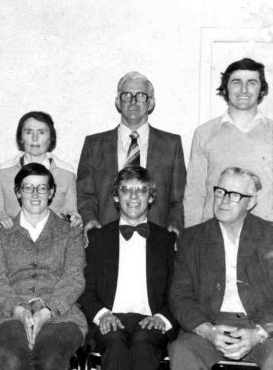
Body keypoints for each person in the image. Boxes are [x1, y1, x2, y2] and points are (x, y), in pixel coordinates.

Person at [0, 163, 87, 370]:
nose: (35, 193)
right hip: (9, 315)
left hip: (61, 315)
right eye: (27, 187)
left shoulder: (70, 232)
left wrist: (48, 311)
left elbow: (74, 278)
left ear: (51, 193)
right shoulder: (0, 233)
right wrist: (19, 311)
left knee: (50, 359)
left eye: (42, 188)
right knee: (13, 359)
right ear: (17, 192)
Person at [169, 167, 273, 369]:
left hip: (261, 327)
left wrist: (259, 333)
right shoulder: (192, 238)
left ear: (251, 202)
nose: (224, 201)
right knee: (181, 350)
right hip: (210, 326)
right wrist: (207, 330)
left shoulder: (270, 236)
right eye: (220, 192)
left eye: (234, 195)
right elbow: (179, 296)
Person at [79, 166, 177, 370]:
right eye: (126, 189)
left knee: (143, 342)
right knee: (115, 343)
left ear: (151, 197)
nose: (134, 196)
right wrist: (102, 315)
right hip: (109, 317)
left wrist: (161, 318)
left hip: (151, 320)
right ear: (116, 196)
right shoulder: (97, 238)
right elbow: (85, 289)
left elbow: (177, 291)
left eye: (141, 190)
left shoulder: (166, 240)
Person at [77, 71, 186, 241]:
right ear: (117, 102)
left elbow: (178, 198)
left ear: (151, 103)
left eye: (141, 96)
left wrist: (174, 224)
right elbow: (85, 194)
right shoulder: (94, 144)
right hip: (106, 235)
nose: (133, 101)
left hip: (156, 237)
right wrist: (90, 220)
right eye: (126, 95)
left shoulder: (171, 144)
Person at [184, 58, 273, 227]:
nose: (244, 89)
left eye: (252, 83)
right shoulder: (205, 133)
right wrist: (191, 237)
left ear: (262, 89)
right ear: (226, 88)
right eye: (236, 82)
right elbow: (195, 193)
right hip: (214, 236)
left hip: (266, 237)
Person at [0, 111, 82, 228]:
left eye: (41, 132)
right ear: (21, 138)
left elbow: (71, 212)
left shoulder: (66, 173)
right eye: (29, 132)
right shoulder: (3, 172)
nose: (35, 138)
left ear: (51, 138)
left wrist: (75, 219)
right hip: (13, 238)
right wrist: (0, 220)